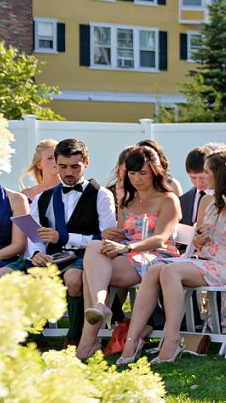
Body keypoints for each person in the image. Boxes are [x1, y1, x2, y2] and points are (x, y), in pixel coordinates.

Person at [117, 146, 226, 366]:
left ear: (219, 175)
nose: (203, 177)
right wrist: (199, 238)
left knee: (171, 271)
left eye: (207, 172)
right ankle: (132, 340)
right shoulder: (207, 202)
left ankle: (172, 339)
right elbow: (199, 241)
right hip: (202, 261)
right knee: (155, 268)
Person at [77, 146, 182, 360]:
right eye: (132, 173)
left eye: (142, 173)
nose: (136, 179)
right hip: (129, 254)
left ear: (154, 171)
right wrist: (113, 236)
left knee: (90, 273)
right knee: (94, 247)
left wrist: (126, 247)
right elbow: (124, 234)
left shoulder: (168, 199)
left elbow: (161, 238)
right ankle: (98, 307)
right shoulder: (127, 201)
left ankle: (87, 341)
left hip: (157, 256)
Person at [27, 137, 117, 311]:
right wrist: (37, 252)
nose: (68, 172)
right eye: (63, 166)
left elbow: (106, 238)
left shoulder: (102, 195)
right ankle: (34, 336)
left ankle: (75, 336)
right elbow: (34, 233)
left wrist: (64, 238)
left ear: (86, 163)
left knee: (73, 277)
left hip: (88, 257)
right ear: (56, 165)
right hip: (51, 257)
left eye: (75, 167)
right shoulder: (41, 198)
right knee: (5, 274)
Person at [180, 146, 213, 230]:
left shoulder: (225, 196)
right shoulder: (184, 200)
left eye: (202, 177)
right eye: (193, 178)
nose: (198, 182)